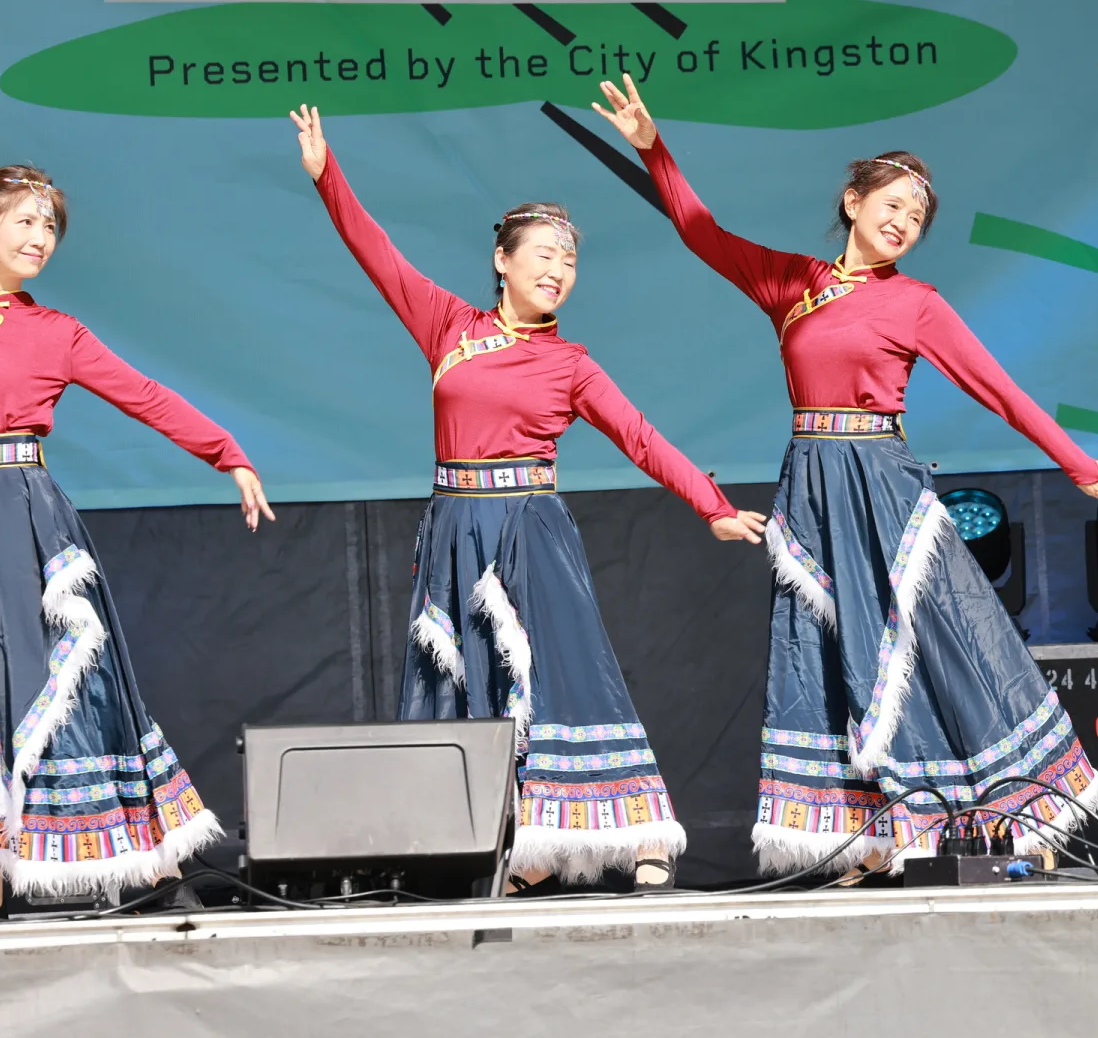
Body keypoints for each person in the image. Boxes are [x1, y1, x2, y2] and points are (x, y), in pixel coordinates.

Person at [591, 74, 1098, 876]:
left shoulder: (917, 303)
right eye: (892, 204)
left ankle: (1020, 817)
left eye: (917, 217)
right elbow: (702, 234)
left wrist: (1078, 464)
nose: (903, 221)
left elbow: (998, 390)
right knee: (830, 655)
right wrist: (652, 148)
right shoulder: (793, 285)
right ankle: (873, 836)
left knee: (947, 640)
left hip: (883, 485)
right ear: (853, 202)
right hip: (813, 489)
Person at [289, 106, 764, 890]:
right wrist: (327, 176)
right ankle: (524, 851)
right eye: (543, 254)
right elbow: (377, 253)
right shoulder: (449, 327)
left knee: (570, 673)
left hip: (530, 528)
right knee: (470, 683)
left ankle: (644, 834)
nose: (558, 270)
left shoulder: (570, 363)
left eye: (569, 261)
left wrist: (710, 502)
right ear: (501, 260)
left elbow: (641, 436)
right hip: (455, 528)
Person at [0, 167, 271, 920]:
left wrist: (226, 453)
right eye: (25, 222)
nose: (40, 238)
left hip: (25, 521)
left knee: (64, 684)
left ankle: (150, 866)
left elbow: (144, 394)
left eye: (49, 227)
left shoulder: (56, 333)